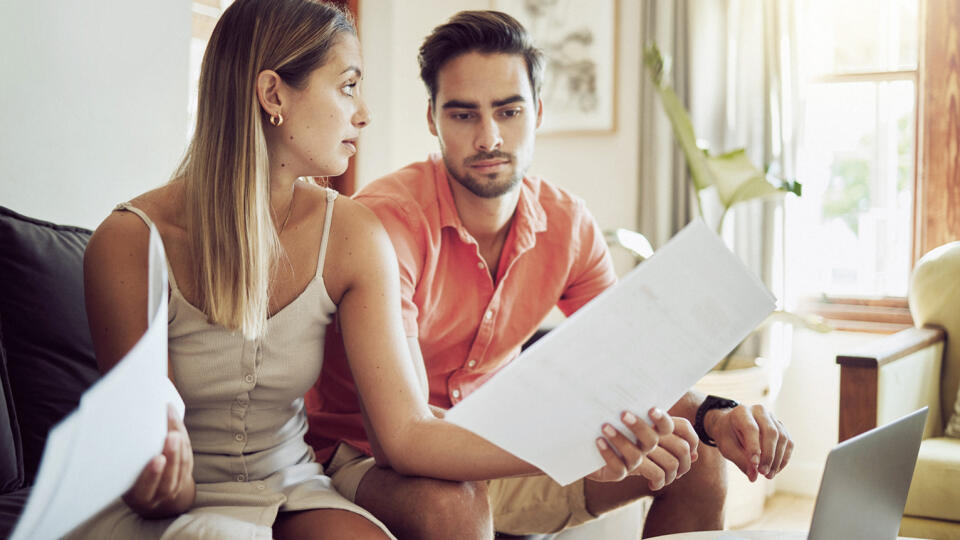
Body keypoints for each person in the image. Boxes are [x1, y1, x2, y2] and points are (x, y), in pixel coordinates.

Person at [77, 2, 689, 538]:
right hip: (220, 493)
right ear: (273, 96)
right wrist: (161, 483)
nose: (364, 113)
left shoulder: (349, 233)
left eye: (508, 110)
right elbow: (146, 472)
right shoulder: (128, 243)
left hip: (293, 482)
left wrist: (607, 436)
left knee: (698, 458)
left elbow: (413, 430)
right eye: (347, 86)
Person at [306, 9, 796, 539]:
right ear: (433, 119)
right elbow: (402, 441)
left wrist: (716, 417)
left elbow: (628, 364)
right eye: (464, 114)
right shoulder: (387, 223)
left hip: (497, 446)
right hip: (367, 457)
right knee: (452, 503)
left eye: (509, 111)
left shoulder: (568, 225)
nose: (489, 137)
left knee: (698, 459)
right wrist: (567, 446)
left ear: (537, 112)